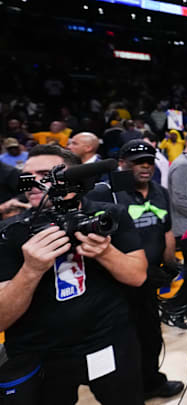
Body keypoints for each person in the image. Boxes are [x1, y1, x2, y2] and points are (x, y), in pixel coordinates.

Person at [0, 145, 147, 404]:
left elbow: (137, 276)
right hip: (40, 356)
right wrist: (31, 270)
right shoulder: (9, 232)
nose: (33, 183)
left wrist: (105, 252)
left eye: (46, 173)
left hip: (109, 341)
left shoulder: (108, 214)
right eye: (28, 175)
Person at [88, 140, 185, 399]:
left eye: (149, 162)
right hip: (116, 282)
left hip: (149, 279)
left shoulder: (159, 191)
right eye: (137, 163)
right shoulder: (105, 194)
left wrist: (169, 262)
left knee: (151, 336)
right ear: (122, 165)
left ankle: (152, 382)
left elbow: (166, 229)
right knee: (124, 343)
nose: (144, 167)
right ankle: (129, 393)